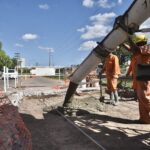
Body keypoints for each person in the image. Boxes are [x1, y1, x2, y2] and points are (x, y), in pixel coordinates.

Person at [123, 34, 150, 124]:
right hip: (140, 73)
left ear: (143, 42)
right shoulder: (137, 51)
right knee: (141, 98)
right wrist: (122, 43)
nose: (137, 45)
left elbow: (135, 49)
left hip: (145, 71)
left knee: (144, 97)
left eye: (138, 43)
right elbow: (131, 49)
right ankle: (145, 119)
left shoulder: (146, 48)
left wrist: (128, 39)